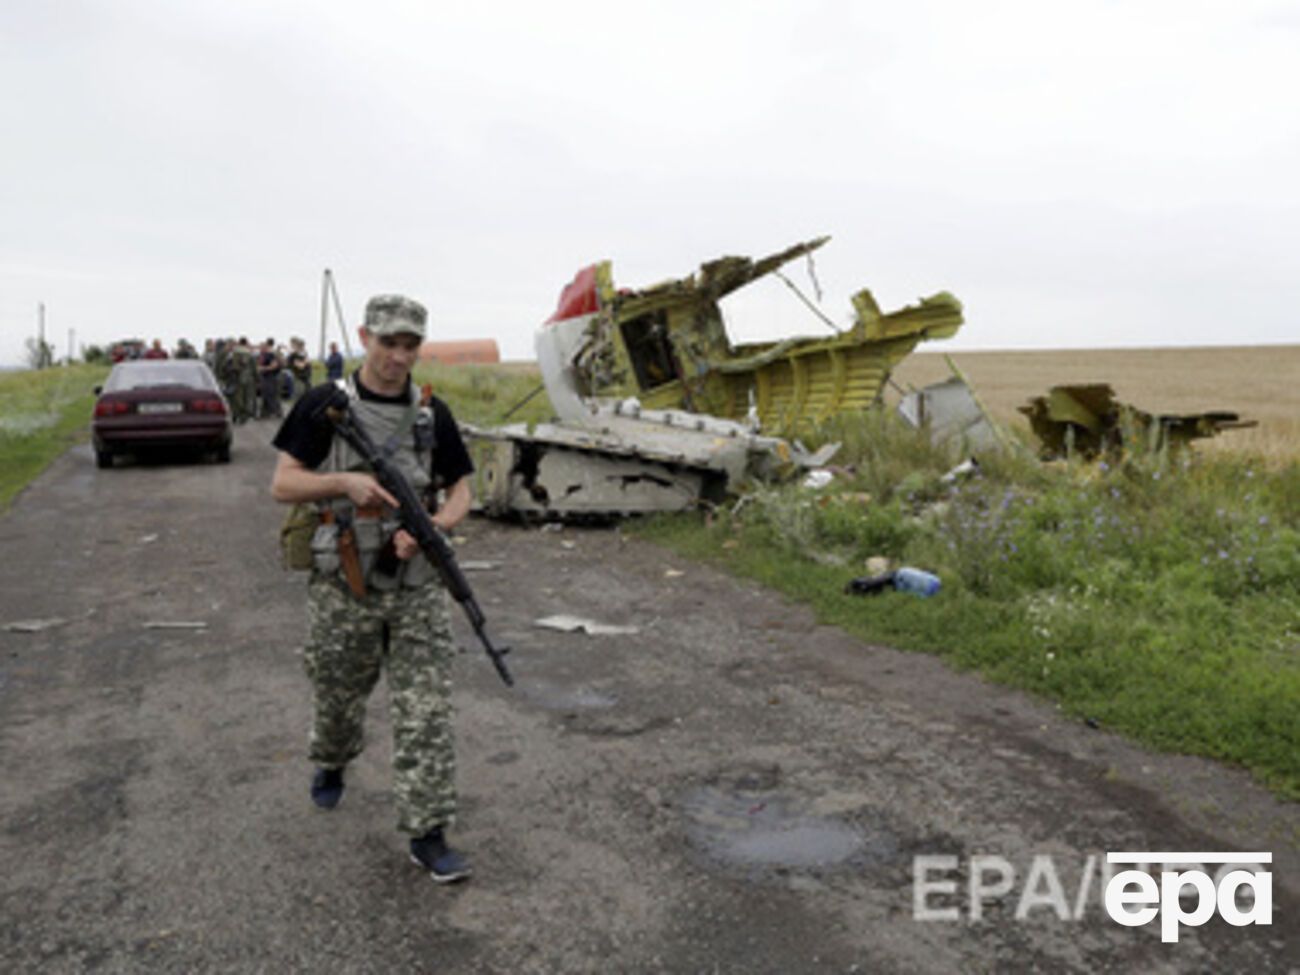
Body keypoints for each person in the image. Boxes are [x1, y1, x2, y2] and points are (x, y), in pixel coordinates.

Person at [269, 294, 476, 883]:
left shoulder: (434, 416)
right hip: (344, 586)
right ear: (364, 336)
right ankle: (331, 760)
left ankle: (428, 833)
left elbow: (462, 488)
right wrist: (343, 483)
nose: (398, 356)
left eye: (410, 345)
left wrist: (436, 527)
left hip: (415, 587)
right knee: (337, 696)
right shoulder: (324, 406)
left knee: (426, 709)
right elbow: (282, 484)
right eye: (388, 343)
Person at [257, 339, 283, 419]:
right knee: (265, 395)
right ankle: (264, 414)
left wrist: (263, 368)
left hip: (270, 377)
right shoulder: (263, 355)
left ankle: (277, 412)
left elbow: (274, 366)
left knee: (270, 395)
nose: (260, 349)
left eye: (261, 347)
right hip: (265, 377)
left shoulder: (271, 355)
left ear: (265, 347)